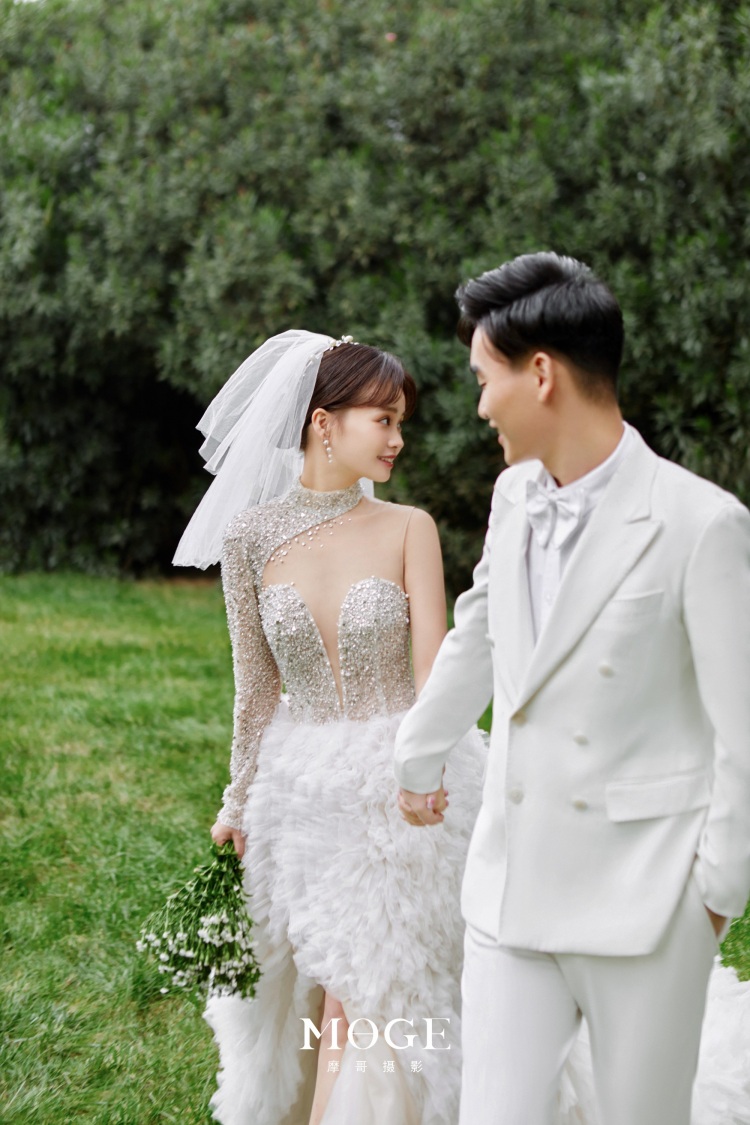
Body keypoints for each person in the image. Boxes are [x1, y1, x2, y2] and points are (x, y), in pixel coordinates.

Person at [394, 252, 750, 1125]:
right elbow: (480, 630)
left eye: (486, 380)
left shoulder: (702, 524)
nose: (481, 406)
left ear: (542, 374)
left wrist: (712, 897)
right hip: (509, 889)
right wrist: (416, 753)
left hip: (645, 904)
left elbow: (743, 732)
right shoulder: (514, 494)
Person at [173, 330, 487, 1125]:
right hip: (301, 791)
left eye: (400, 420)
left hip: (400, 784)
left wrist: (426, 771)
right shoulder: (249, 537)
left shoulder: (408, 526)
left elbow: (433, 670)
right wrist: (237, 803)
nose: (397, 437)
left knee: (364, 985)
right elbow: (255, 691)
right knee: (320, 984)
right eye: (383, 419)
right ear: (324, 422)